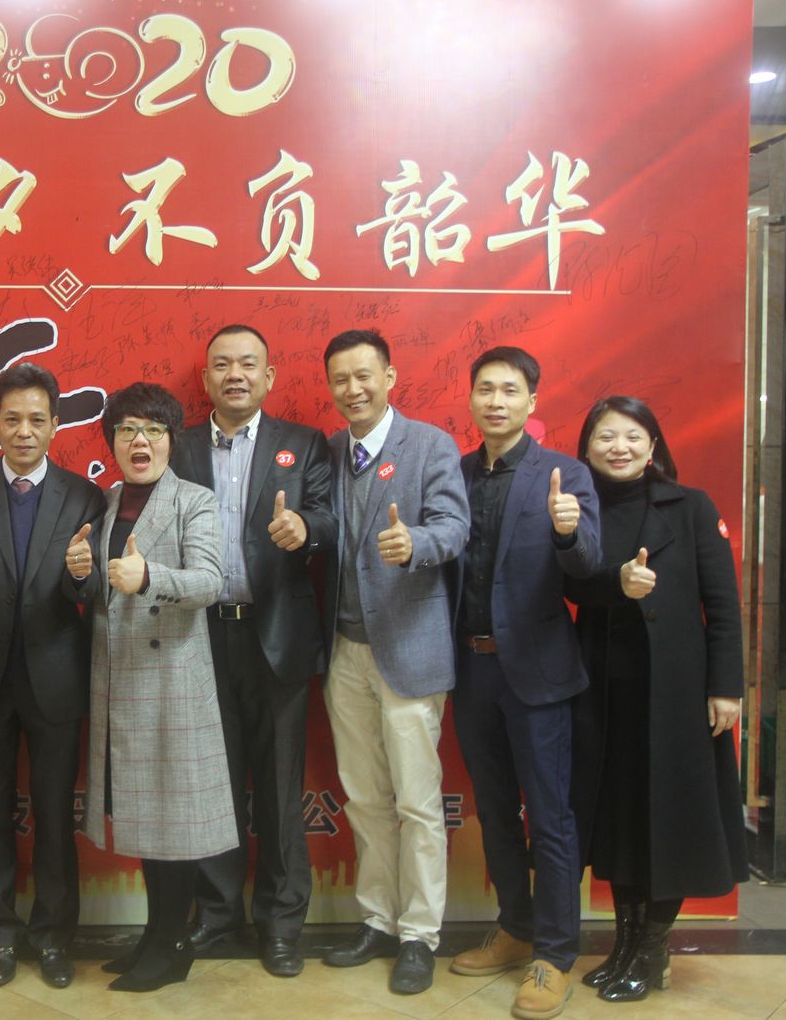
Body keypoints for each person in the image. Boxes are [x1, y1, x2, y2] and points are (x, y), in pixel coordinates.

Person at [0, 362, 105, 989]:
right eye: (12, 419)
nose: (24, 431)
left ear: (56, 425)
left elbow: (89, 585)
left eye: (36, 419)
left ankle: (54, 937)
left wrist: (83, 574)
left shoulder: (84, 495)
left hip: (56, 678)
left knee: (55, 816)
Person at [566, 396, 747, 1003]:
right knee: (618, 821)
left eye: (632, 435)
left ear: (652, 446)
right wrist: (615, 583)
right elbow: (567, 585)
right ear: (587, 448)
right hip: (604, 691)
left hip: (676, 694)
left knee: (670, 819)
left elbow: (723, 605)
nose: (619, 447)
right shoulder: (577, 508)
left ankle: (651, 950)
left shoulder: (690, 506)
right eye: (605, 436)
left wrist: (725, 687)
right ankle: (623, 946)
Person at [170, 324, 336, 977]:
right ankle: (216, 914)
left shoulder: (305, 443)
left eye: (247, 364)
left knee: (278, 789)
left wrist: (305, 527)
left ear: (269, 377)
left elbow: (329, 517)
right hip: (199, 636)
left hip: (276, 639)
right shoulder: (180, 446)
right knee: (211, 784)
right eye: (221, 364)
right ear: (206, 379)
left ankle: (281, 924)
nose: (234, 374)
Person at [447, 347, 600, 1020]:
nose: (496, 401)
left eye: (510, 390)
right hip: (470, 669)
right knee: (493, 809)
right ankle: (515, 926)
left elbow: (588, 563)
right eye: (485, 389)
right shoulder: (453, 474)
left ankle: (556, 953)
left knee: (551, 815)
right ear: (471, 398)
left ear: (532, 401)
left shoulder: (564, 475)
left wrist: (568, 532)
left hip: (537, 672)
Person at [71, 381, 237, 994]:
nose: (139, 441)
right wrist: (81, 573)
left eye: (153, 430)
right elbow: (102, 589)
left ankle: (172, 943)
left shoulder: (194, 500)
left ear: (171, 440)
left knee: (175, 820)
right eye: (126, 430)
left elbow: (209, 582)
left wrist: (149, 577)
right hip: (117, 679)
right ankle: (153, 935)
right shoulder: (108, 500)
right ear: (112, 441)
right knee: (142, 816)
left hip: (172, 683)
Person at [318, 329, 470, 995]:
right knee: (365, 797)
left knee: (417, 802)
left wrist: (416, 544)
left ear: (390, 376)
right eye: (340, 379)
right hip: (344, 651)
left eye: (364, 376)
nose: (352, 389)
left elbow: (455, 526)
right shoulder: (328, 452)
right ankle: (378, 920)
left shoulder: (431, 445)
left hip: (408, 647)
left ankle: (419, 935)